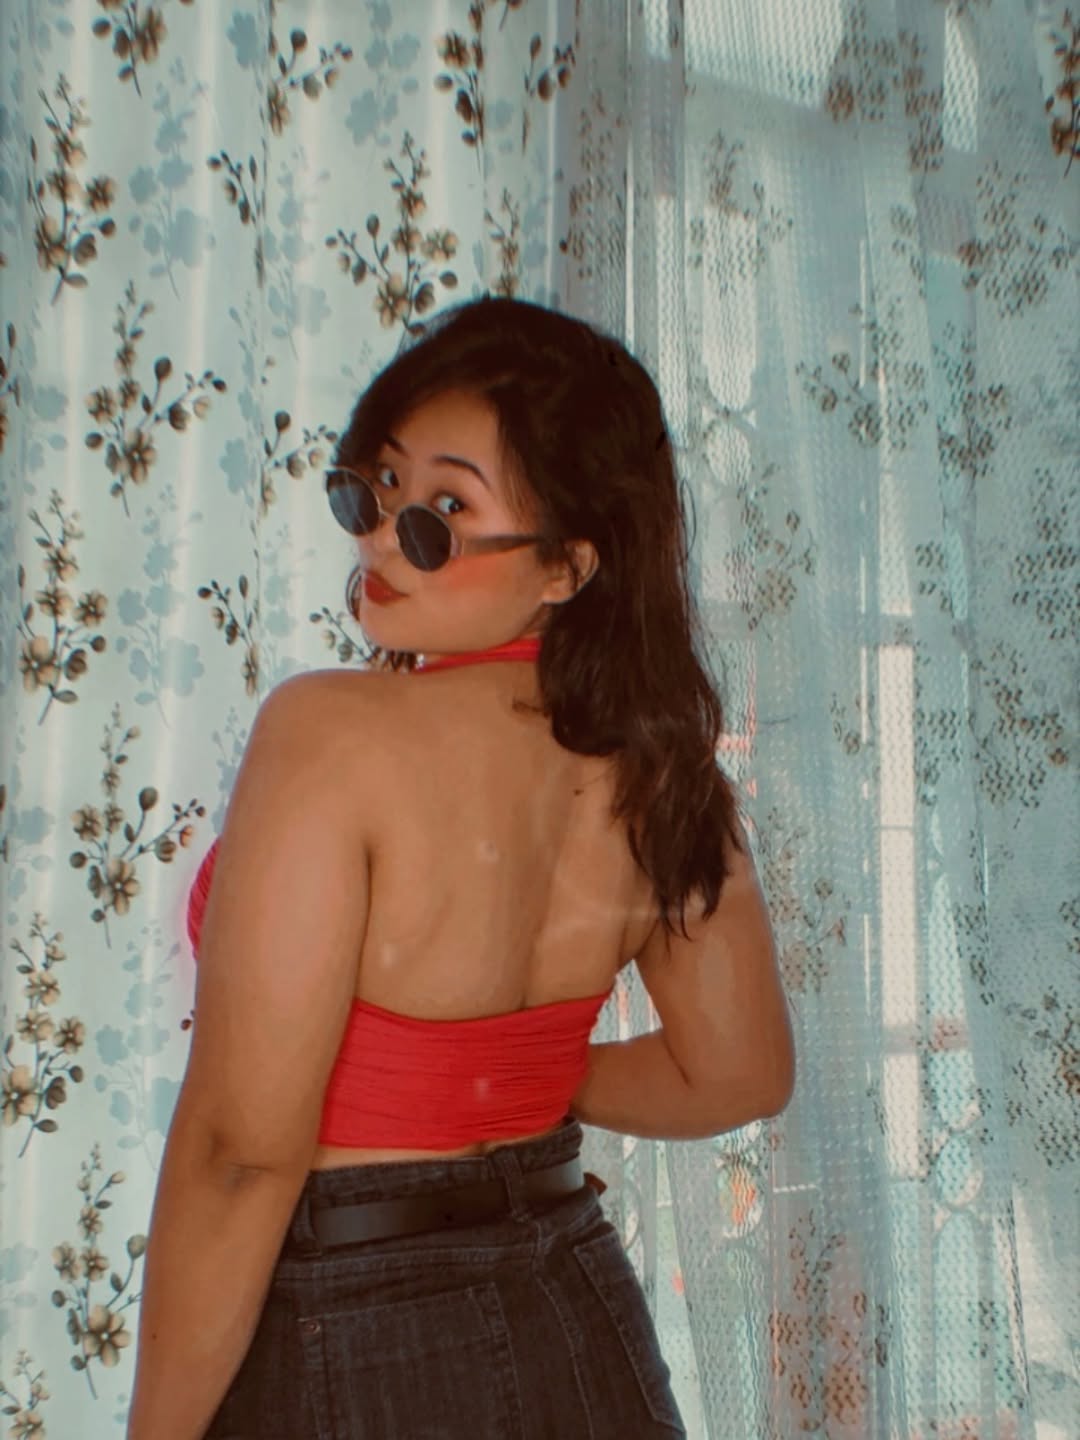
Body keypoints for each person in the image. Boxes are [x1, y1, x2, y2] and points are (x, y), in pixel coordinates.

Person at [126, 297, 795, 1439]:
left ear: (569, 565)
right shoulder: (659, 771)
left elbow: (240, 1154)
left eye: (444, 512)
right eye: (377, 489)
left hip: (349, 1329)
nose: (385, 541)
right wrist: (518, 1073)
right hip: (577, 1312)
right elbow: (737, 1075)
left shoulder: (331, 733)